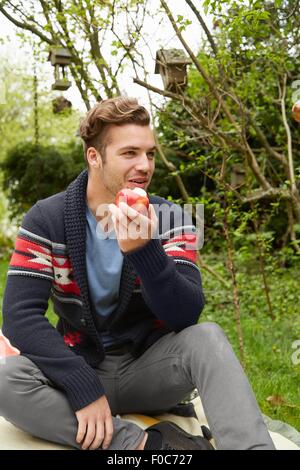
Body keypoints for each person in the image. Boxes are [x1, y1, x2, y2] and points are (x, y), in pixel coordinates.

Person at [0, 97, 275, 450]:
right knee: (6, 380)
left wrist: (145, 252)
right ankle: (150, 445)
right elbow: (19, 317)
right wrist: (82, 386)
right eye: (130, 153)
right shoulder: (46, 219)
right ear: (94, 157)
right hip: (84, 367)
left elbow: (186, 314)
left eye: (150, 154)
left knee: (207, 337)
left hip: (151, 371)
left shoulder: (172, 218)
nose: (144, 165)